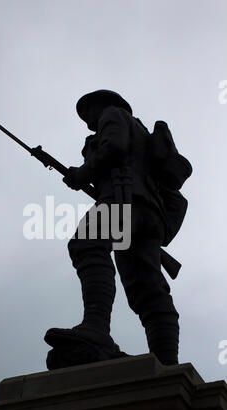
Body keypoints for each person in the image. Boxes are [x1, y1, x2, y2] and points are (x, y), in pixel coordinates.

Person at [44, 90, 192, 370]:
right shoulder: (143, 134)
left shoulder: (113, 115)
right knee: (147, 288)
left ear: (101, 105)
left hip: (124, 201)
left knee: (86, 243)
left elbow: (114, 148)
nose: (87, 120)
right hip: (149, 215)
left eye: (87, 112)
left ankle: (95, 327)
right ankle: (167, 365)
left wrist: (82, 173)